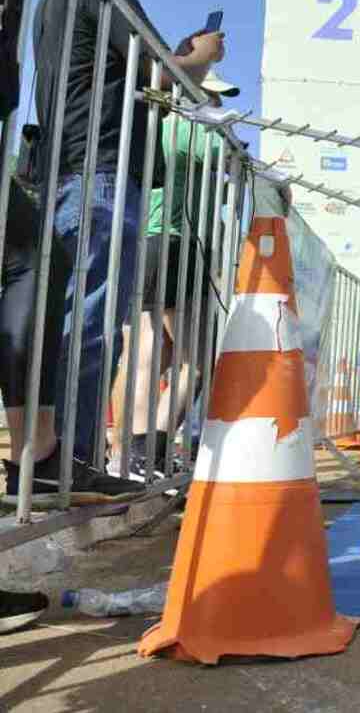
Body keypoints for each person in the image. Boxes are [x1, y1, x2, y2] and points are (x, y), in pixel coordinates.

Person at [34, 0, 224, 468]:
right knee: (90, 328)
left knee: (92, 325)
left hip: (84, 173)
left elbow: (137, 73)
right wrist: (202, 56)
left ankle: (75, 459)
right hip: (100, 176)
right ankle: (71, 460)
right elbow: (165, 73)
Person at [110, 63, 238, 479]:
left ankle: (127, 451)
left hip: (150, 239)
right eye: (212, 96)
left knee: (147, 353)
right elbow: (229, 158)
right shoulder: (190, 127)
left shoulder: (160, 125)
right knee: (194, 360)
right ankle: (148, 448)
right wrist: (226, 133)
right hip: (173, 242)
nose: (217, 104)